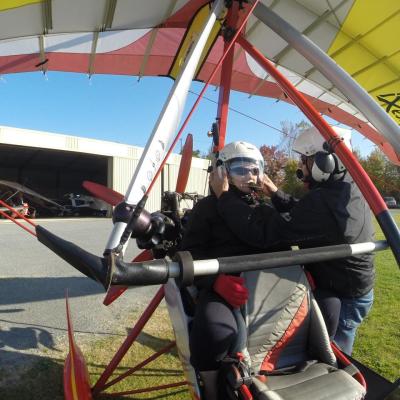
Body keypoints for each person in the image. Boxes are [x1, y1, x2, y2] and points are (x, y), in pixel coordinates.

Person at [210, 126, 375, 356]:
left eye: (305, 161)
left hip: (346, 295)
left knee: (334, 355)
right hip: (351, 289)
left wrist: (224, 197)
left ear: (323, 162)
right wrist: (276, 193)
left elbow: (263, 233)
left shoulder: (324, 199)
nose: (302, 167)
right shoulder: (345, 188)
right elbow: (302, 214)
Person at [179, 141, 272, 400]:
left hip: (262, 285)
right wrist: (215, 280)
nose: (250, 176)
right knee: (214, 329)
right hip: (223, 287)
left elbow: (279, 242)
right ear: (223, 173)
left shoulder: (263, 208)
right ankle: (210, 388)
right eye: (241, 169)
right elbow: (191, 253)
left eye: (254, 170)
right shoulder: (206, 208)